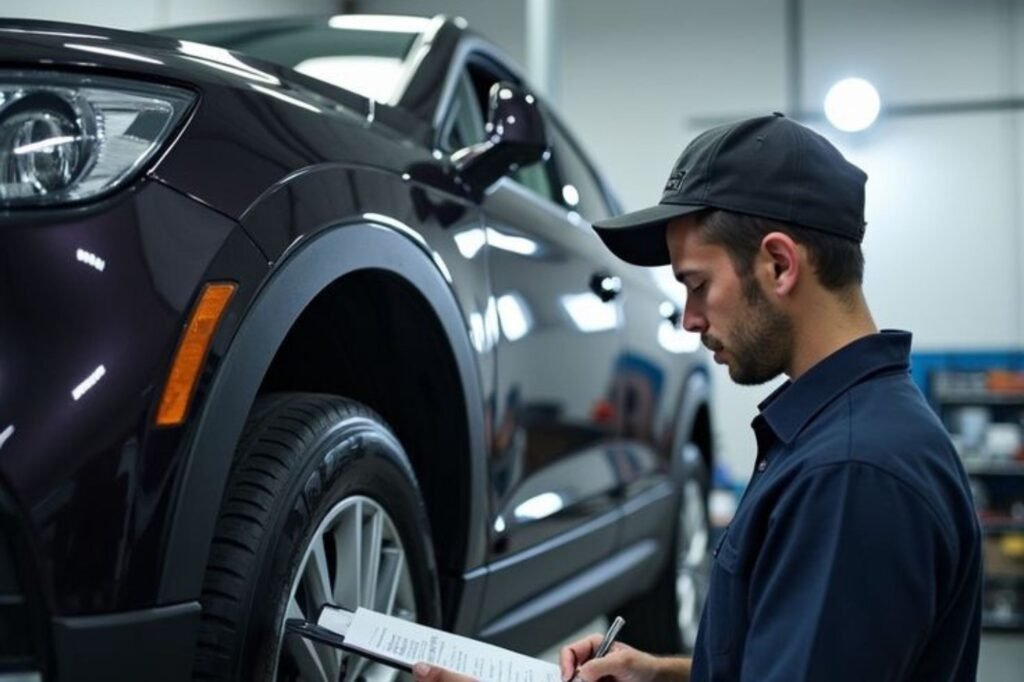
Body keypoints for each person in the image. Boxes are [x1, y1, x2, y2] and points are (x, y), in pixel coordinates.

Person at [414, 113, 982, 682]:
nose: (688, 319)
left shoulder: (851, 474)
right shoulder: (842, 439)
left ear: (779, 264)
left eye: (697, 285)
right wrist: (662, 674)